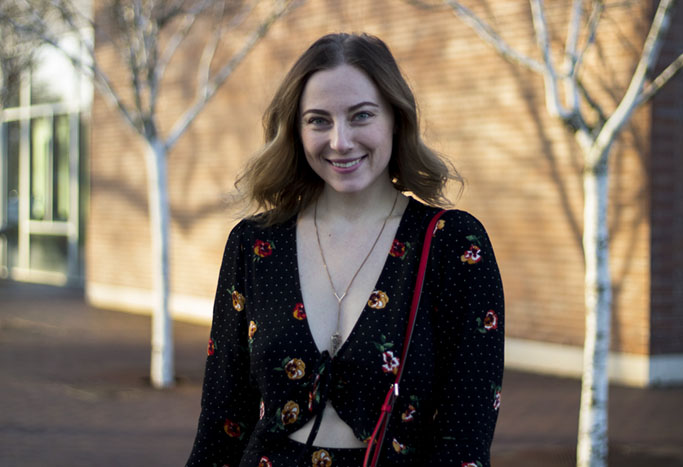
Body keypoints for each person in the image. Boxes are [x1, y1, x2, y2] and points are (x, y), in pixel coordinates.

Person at [186, 32, 504, 467]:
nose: (340, 141)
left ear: (396, 119)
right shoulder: (255, 244)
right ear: (295, 131)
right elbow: (222, 423)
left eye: (361, 116)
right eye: (318, 120)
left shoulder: (452, 244)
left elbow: (464, 440)